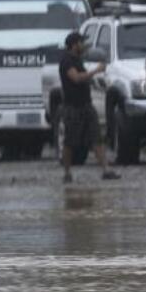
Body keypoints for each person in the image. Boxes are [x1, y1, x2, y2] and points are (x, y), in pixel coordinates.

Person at [58, 31, 117, 183]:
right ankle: (66, 173)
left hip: (86, 105)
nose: (84, 45)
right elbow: (76, 78)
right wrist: (96, 71)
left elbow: (82, 79)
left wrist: (94, 81)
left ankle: (106, 170)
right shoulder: (67, 61)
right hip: (73, 108)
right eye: (81, 42)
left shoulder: (77, 60)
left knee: (97, 138)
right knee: (70, 141)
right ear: (74, 44)